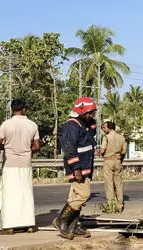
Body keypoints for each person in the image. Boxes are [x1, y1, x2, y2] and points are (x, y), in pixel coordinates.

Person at [0, 99, 39, 235]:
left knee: (10, 195)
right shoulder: (32, 125)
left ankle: (9, 226)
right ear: (24, 109)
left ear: (12, 109)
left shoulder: (6, 124)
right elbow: (36, 146)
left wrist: (7, 147)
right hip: (26, 164)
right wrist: (27, 149)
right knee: (26, 193)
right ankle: (29, 225)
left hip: (10, 164)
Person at [54, 97, 98, 240]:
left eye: (92, 113)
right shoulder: (70, 126)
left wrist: (92, 124)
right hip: (78, 168)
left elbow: (90, 139)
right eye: (89, 113)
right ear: (80, 111)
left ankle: (73, 226)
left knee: (76, 197)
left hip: (85, 166)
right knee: (83, 195)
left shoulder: (83, 124)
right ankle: (61, 220)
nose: (91, 115)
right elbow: (69, 149)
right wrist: (76, 168)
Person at [100, 120, 127, 213]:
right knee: (118, 184)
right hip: (118, 161)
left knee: (109, 185)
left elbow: (102, 150)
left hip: (108, 161)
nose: (103, 129)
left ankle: (111, 206)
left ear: (109, 128)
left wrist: (98, 153)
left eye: (104, 127)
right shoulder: (121, 138)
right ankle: (120, 206)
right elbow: (124, 152)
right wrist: (120, 160)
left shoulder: (106, 137)